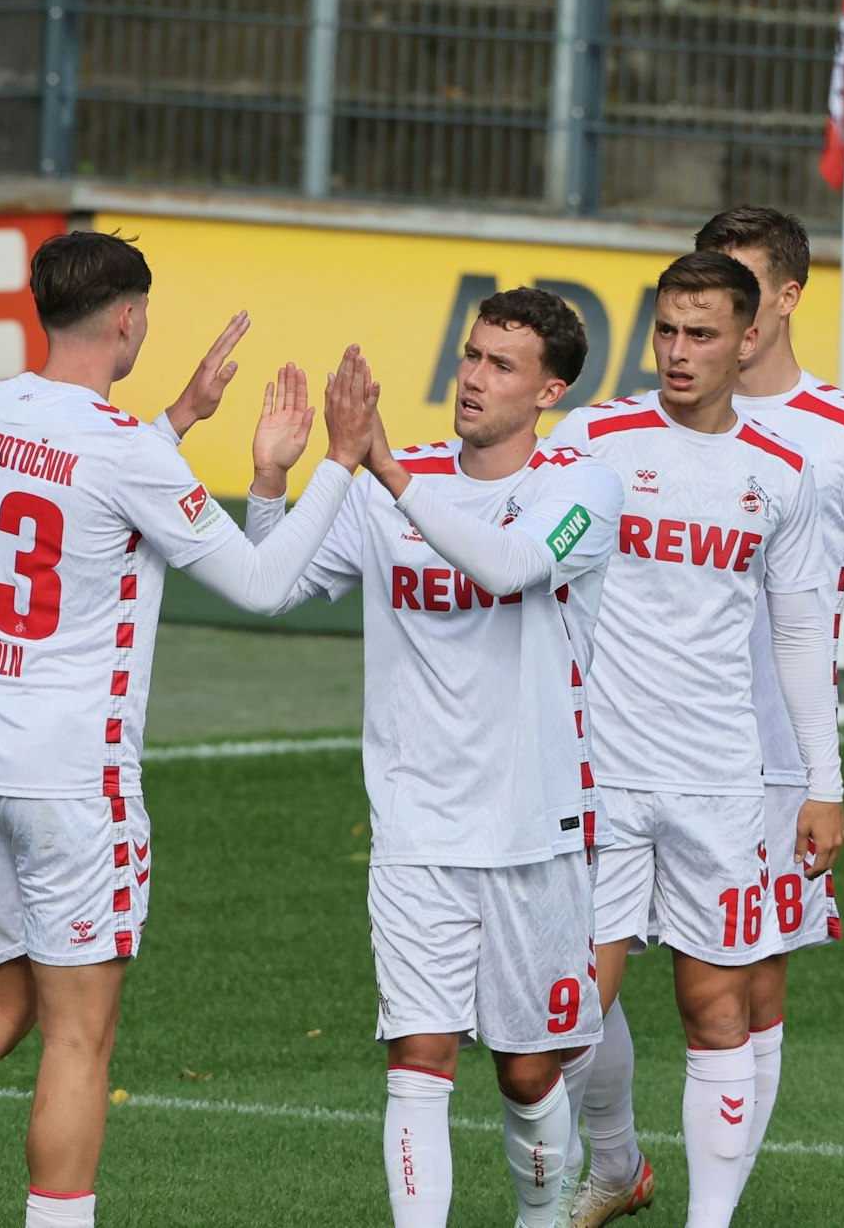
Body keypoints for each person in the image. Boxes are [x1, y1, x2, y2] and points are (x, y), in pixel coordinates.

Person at [0, 230, 380, 1228]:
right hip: (72, 780)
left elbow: (82, 490)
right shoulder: (122, 452)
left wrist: (179, 416)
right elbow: (260, 583)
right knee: (79, 1039)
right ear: (127, 318)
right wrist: (325, 463)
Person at [241, 287, 623, 1228]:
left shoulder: (580, 487)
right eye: (470, 355)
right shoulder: (393, 477)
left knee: (530, 1071)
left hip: (534, 827)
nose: (474, 378)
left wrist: (384, 474)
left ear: (551, 391)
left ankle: (541, 1217)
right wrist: (268, 481)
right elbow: (269, 584)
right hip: (414, 824)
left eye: (502, 365)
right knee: (417, 1061)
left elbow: (506, 566)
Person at [549, 252, 843, 1228]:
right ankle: (621, 1160)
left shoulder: (782, 472)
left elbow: (801, 635)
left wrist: (822, 781)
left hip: (720, 779)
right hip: (599, 772)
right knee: (568, 1011)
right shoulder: (593, 437)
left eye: (702, 333)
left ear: (747, 339)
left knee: (715, 1010)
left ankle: (706, 1221)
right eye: (666, 330)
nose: (678, 352)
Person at [702, 205, 844, 1202]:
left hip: (780, 757)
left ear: (788, 297)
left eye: (745, 288)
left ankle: (717, 1203)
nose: (724, 310)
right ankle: (613, 1158)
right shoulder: (650, 419)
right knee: (594, 964)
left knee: (750, 983)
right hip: (639, 742)